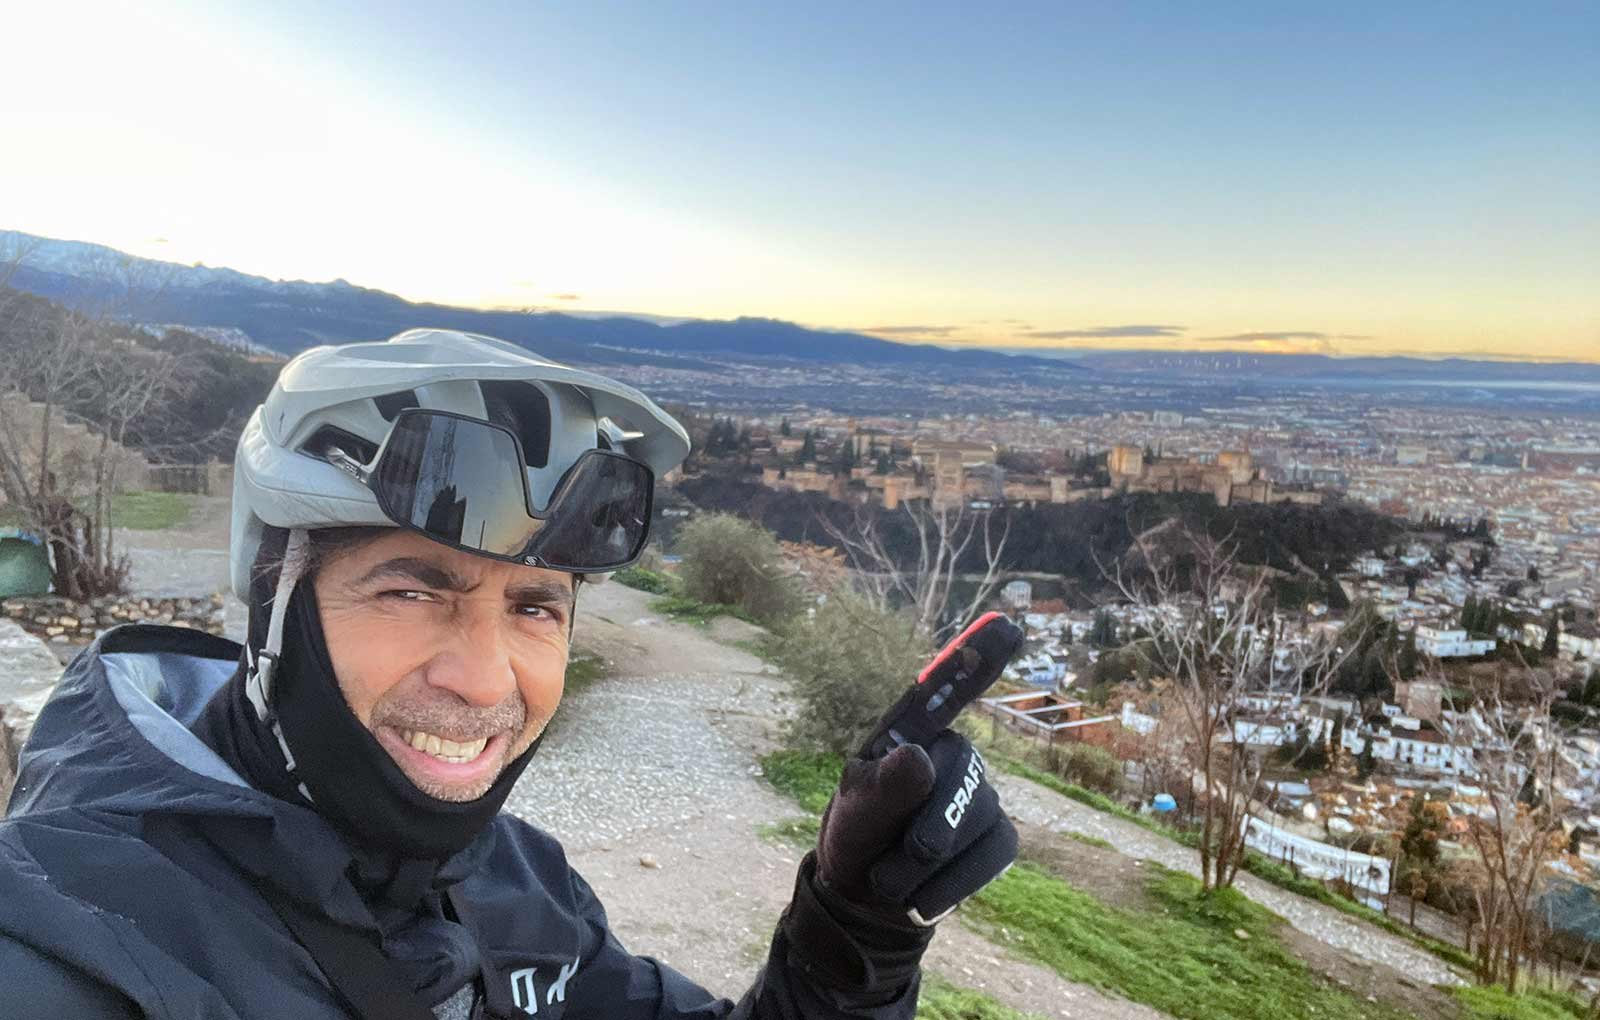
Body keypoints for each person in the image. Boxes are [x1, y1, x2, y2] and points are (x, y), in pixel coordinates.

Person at [0, 328, 1017, 1019]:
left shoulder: (513, 878)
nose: (486, 682)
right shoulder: (67, 939)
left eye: (535, 607)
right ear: (272, 599)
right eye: (412, 590)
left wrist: (851, 933)